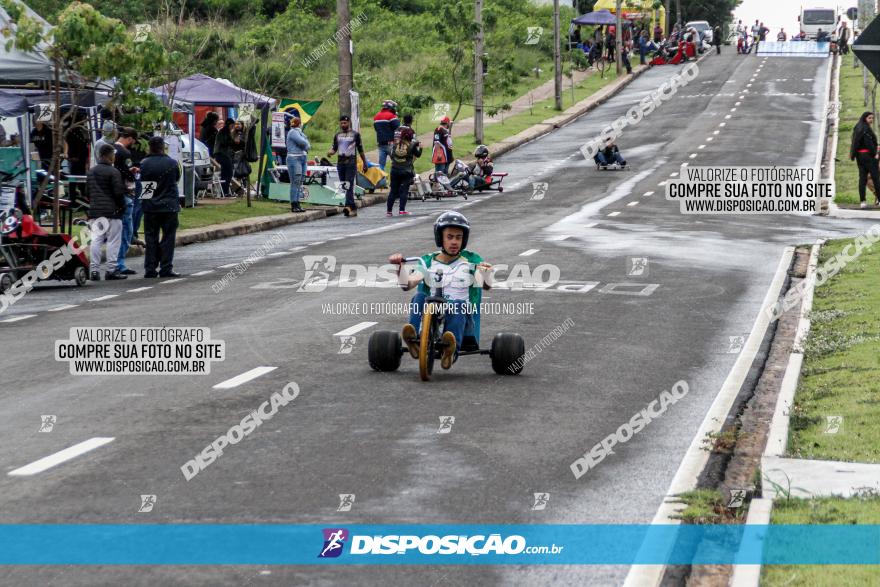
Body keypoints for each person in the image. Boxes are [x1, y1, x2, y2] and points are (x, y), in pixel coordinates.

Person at [389, 211, 493, 369]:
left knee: (458, 305)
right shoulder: (428, 261)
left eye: (458, 238)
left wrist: (485, 274)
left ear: (463, 240)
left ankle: (450, 349)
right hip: (432, 311)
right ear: (440, 238)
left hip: (461, 315)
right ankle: (413, 338)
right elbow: (408, 285)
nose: (454, 242)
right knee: (419, 298)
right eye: (450, 237)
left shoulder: (471, 260)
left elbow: (486, 286)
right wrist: (399, 267)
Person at [140, 136, 182, 277]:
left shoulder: (144, 163)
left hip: (150, 205)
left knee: (150, 237)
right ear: (163, 147)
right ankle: (166, 267)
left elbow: (145, 185)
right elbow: (176, 179)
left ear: (149, 147)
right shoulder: (171, 163)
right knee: (168, 237)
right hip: (169, 205)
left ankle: (150, 268)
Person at [87, 144, 126, 281]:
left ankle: (94, 270)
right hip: (112, 212)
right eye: (113, 154)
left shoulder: (91, 172)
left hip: (95, 212)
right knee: (113, 241)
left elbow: (88, 192)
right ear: (109, 156)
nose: (114, 157)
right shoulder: (114, 172)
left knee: (96, 240)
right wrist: (123, 207)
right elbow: (118, 193)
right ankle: (111, 270)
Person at [327, 115, 367, 217]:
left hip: (351, 163)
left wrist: (365, 163)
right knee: (344, 185)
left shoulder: (355, 135)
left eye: (345, 123)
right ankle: (352, 207)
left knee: (348, 184)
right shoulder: (337, 135)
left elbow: (360, 150)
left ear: (349, 123)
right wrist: (330, 152)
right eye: (341, 123)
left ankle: (348, 206)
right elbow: (334, 148)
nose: (343, 125)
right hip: (340, 163)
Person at [114, 128, 139, 276]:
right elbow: (127, 172)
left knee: (113, 231)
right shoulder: (125, 153)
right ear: (130, 138)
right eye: (133, 140)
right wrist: (133, 171)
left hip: (112, 194)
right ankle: (120, 263)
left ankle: (114, 262)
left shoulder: (111, 149)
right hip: (125, 192)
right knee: (126, 230)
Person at [386, 125, 421, 216]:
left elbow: (390, 153)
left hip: (394, 170)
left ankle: (389, 211)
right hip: (406, 171)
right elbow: (418, 154)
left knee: (393, 191)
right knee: (404, 190)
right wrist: (420, 147)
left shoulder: (396, 144)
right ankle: (402, 210)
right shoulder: (411, 145)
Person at [850, 112, 880, 208]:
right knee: (876, 178)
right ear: (865, 118)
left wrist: (853, 155)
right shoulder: (866, 129)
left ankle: (862, 202)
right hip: (869, 156)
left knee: (862, 179)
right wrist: (875, 154)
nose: (871, 120)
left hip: (860, 157)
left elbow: (854, 142)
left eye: (872, 118)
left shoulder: (857, 127)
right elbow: (869, 143)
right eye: (869, 118)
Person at [285, 114, 310, 213]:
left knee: (300, 182)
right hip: (294, 158)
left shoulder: (300, 133)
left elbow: (305, 141)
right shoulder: (293, 132)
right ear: (299, 124)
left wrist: (306, 144)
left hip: (303, 158)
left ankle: (298, 202)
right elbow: (303, 143)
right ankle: (294, 204)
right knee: (295, 182)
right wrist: (307, 145)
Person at [373, 100, 399, 171]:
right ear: (390, 108)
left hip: (381, 144)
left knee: (381, 165)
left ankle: (382, 181)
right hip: (391, 144)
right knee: (396, 163)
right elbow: (397, 128)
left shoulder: (376, 117)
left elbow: (376, 129)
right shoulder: (391, 116)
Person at [214, 117, 235, 196]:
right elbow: (224, 142)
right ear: (229, 124)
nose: (233, 127)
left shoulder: (225, 131)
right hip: (221, 154)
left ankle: (224, 191)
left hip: (221, 154)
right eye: (232, 125)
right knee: (228, 172)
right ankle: (225, 191)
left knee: (225, 172)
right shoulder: (224, 132)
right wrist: (232, 141)